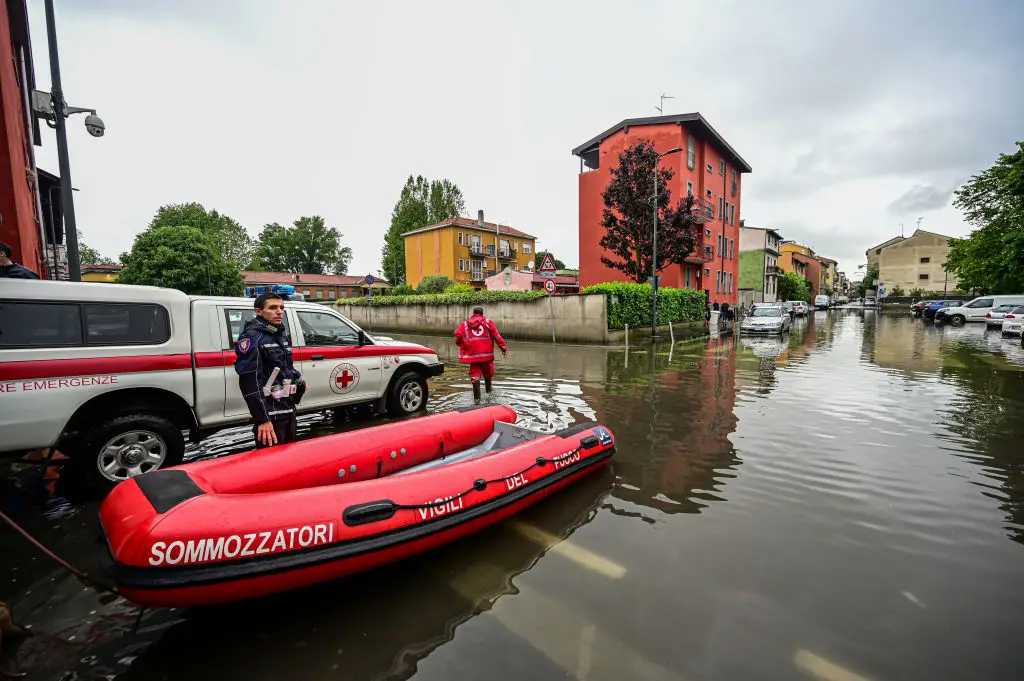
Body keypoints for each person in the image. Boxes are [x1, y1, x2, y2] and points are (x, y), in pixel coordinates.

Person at [234, 292, 305, 448]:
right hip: (270, 415)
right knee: (273, 463)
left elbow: (283, 367)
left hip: (287, 408)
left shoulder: (279, 334)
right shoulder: (252, 338)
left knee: (290, 458)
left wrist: (297, 379)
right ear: (259, 311)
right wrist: (262, 419)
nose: (279, 311)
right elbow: (249, 381)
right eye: (273, 308)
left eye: (281, 307)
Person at [454, 306, 507, 401]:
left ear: (473, 313)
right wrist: (503, 347)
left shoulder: (465, 324)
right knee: (488, 374)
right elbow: (497, 336)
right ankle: (489, 395)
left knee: (475, 376)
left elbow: (457, 337)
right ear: (482, 313)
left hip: (473, 356)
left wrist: (463, 345)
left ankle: (477, 400)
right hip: (486, 356)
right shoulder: (488, 323)